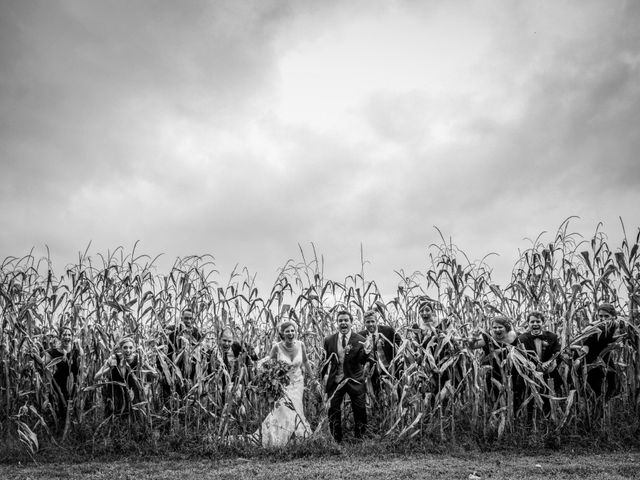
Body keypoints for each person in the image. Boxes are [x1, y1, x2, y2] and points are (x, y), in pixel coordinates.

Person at [320, 310, 372, 443]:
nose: (343, 323)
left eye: (346, 320)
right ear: (337, 323)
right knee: (333, 410)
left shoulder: (360, 340)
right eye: (340, 321)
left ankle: (359, 439)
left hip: (354, 380)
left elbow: (361, 361)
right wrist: (321, 378)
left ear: (351, 323)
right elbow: (324, 361)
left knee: (359, 410)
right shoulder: (329, 340)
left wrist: (366, 352)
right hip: (336, 380)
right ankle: (336, 440)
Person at [258, 321, 312, 447]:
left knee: (297, 410)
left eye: (292, 330)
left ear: (295, 332)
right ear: (282, 333)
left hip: (298, 383)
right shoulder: (276, 347)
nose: (290, 333)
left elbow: (305, 362)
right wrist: (271, 381)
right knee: (283, 410)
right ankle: (279, 439)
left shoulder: (301, 345)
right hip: (283, 385)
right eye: (287, 331)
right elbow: (269, 366)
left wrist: (313, 379)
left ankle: (297, 439)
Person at [95, 337, 157, 417]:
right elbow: (96, 377)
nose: (128, 350)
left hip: (133, 395)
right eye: (125, 347)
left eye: (131, 347)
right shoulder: (114, 358)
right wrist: (110, 368)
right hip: (115, 395)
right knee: (116, 421)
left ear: (134, 348)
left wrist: (144, 365)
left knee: (134, 420)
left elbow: (155, 375)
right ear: (120, 349)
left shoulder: (138, 359)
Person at [516, 311, 562, 413]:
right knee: (530, 400)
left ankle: (549, 420)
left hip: (548, 373)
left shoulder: (552, 337)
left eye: (538, 321)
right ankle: (529, 423)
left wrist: (550, 363)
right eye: (532, 322)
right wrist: (528, 365)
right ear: (528, 323)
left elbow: (557, 353)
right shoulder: (521, 338)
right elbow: (518, 356)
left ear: (543, 323)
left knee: (548, 400)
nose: (535, 324)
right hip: (530, 375)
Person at [574, 303, 621, 399]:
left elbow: (608, 340)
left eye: (606, 316)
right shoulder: (593, 327)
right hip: (590, 357)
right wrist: (583, 349)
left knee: (613, 381)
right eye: (600, 316)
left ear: (613, 316)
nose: (603, 319)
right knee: (595, 386)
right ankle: (595, 406)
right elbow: (582, 342)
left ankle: (606, 402)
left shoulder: (614, 325)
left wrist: (618, 339)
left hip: (604, 353)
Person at [467, 316, 518, 404]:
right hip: (492, 369)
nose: (497, 330)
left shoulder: (514, 335)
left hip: (511, 369)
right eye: (494, 327)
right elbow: (472, 347)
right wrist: (473, 338)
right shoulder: (487, 336)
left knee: (512, 390)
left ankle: (512, 410)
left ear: (506, 327)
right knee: (493, 391)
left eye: (500, 327)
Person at [39, 327, 83, 428]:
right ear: (60, 337)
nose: (67, 337)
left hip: (74, 383)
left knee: (74, 407)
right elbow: (42, 363)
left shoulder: (77, 350)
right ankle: (58, 428)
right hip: (59, 384)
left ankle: (75, 429)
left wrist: (79, 346)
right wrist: (36, 353)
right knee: (60, 407)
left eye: (69, 335)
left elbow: (82, 363)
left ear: (72, 337)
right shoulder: (54, 352)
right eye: (64, 335)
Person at [358, 309, 402, 397]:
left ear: (376, 321)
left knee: (394, 396)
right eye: (368, 322)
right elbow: (360, 359)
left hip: (390, 370)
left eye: (372, 321)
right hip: (373, 373)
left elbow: (399, 343)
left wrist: (395, 359)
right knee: (376, 397)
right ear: (364, 323)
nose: (370, 324)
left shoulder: (388, 331)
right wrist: (366, 351)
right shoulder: (361, 336)